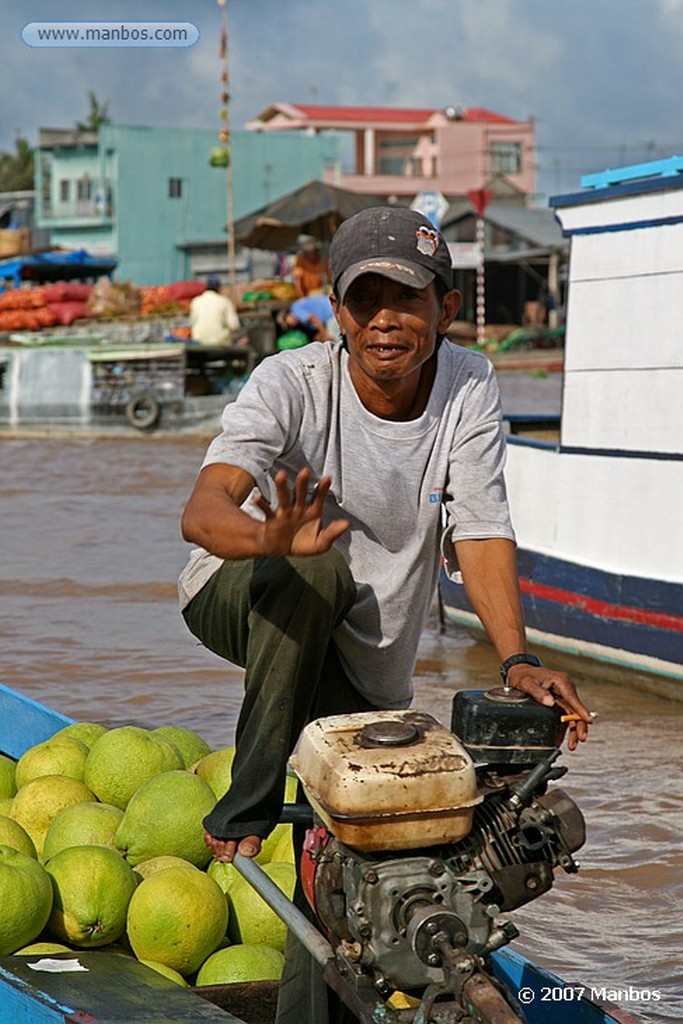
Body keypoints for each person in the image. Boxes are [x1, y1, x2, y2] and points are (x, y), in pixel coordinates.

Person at [179, 206, 592, 1024]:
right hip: (246, 594)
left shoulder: (468, 383)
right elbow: (201, 511)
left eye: (404, 300)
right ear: (337, 313)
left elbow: (479, 527)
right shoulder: (292, 382)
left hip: (361, 655)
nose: (384, 322)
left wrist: (515, 661)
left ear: (444, 307)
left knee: (350, 844)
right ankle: (251, 791)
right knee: (312, 568)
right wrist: (269, 536)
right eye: (363, 301)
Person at [189, 276, 242, 347]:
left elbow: (192, 322)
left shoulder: (196, 301)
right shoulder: (225, 301)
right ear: (219, 288)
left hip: (199, 340)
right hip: (220, 342)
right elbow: (234, 325)